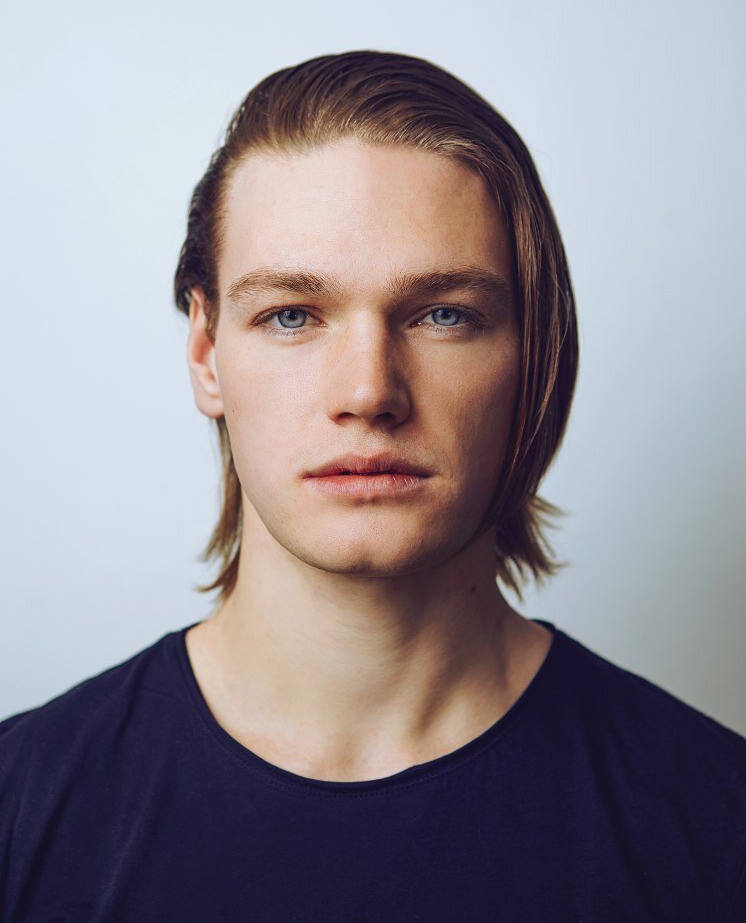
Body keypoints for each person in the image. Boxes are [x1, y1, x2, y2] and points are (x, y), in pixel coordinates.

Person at [1, 50, 744, 922]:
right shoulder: (22, 810)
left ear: (534, 352)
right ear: (206, 354)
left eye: (443, 315)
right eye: (291, 315)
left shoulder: (714, 826)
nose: (368, 392)